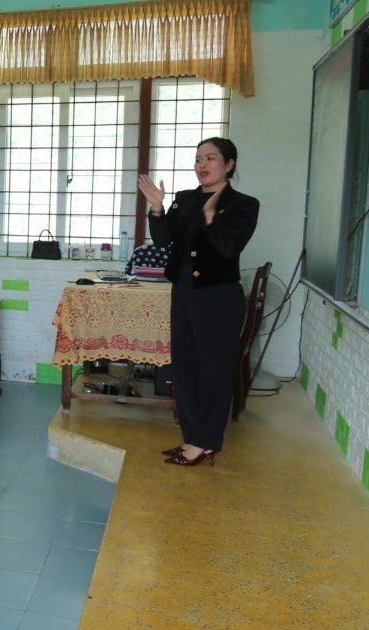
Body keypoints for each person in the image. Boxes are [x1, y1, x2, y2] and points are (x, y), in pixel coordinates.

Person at [138, 137, 259, 466]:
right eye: (197, 159)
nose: (202, 165)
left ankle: (207, 440)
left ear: (229, 164)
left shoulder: (244, 204)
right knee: (186, 367)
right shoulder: (184, 199)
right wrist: (157, 208)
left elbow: (228, 248)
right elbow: (164, 239)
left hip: (219, 295)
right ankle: (193, 439)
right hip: (184, 291)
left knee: (215, 370)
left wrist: (211, 217)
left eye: (210, 158)